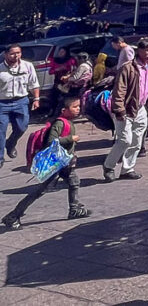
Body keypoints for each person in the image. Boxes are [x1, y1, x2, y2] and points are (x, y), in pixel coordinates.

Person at [2, 94, 90, 229]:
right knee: (39, 191)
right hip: (55, 163)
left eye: (79, 106)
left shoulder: (68, 122)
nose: (78, 109)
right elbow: (51, 142)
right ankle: (13, 216)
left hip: (65, 163)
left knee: (74, 182)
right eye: (75, 107)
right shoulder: (60, 123)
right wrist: (70, 138)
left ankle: (74, 208)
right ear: (64, 110)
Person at [103, 38, 148, 182]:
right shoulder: (128, 68)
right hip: (125, 109)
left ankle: (127, 169)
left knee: (136, 141)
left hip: (140, 109)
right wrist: (119, 109)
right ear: (139, 51)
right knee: (124, 141)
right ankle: (109, 166)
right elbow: (120, 90)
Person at [0, 44, 39, 170]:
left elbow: (34, 83)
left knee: (22, 127)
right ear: (5, 54)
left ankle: (10, 143)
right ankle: (0, 158)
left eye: (18, 53)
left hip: (21, 101)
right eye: (12, 53)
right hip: (2, 103)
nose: (16, 56)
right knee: (1, 131)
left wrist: (36, 99)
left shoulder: (27, 66)